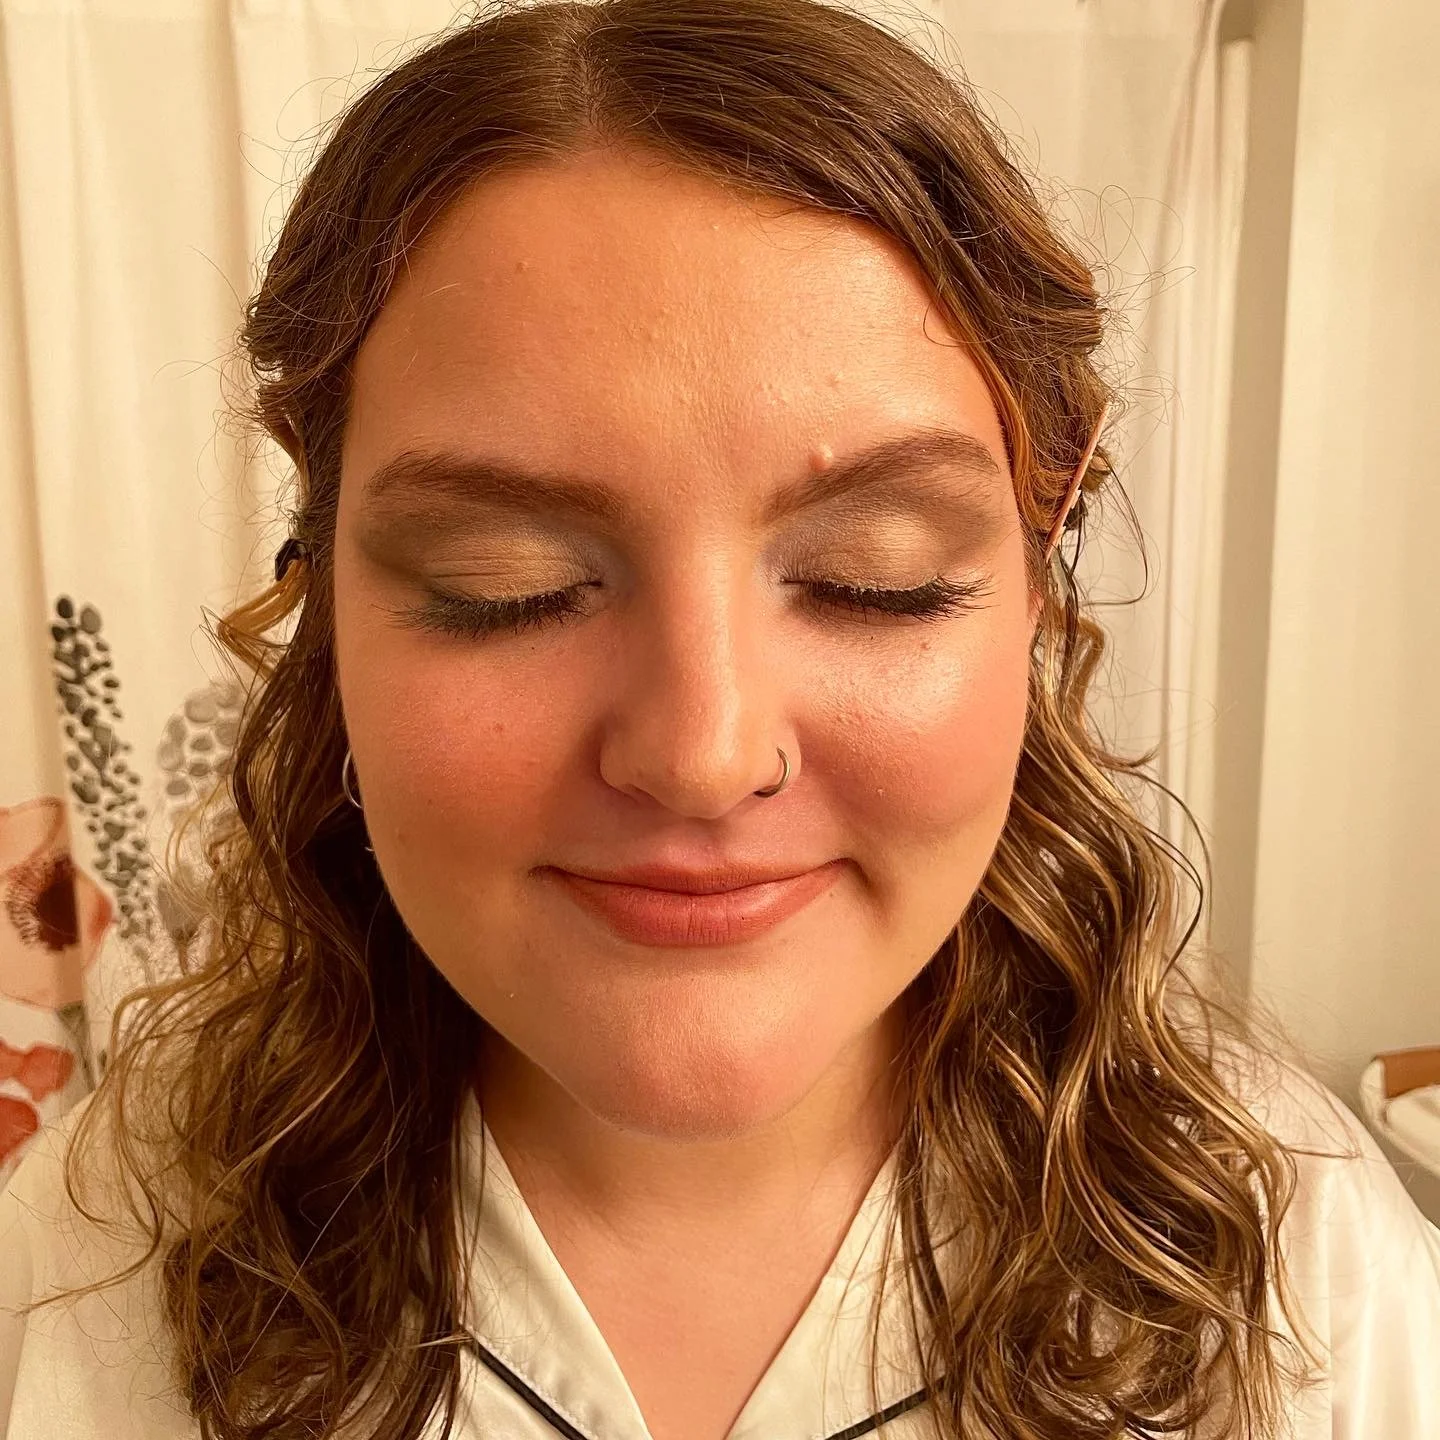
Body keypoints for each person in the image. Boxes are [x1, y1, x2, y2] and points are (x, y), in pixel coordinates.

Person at [3, 0, 1438, 1436]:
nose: (703, 753)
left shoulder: (1301, 1268)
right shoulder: (93, 1261)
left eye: (873, 579)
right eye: (509, 585)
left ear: (1039, 566)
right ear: (316, 584)